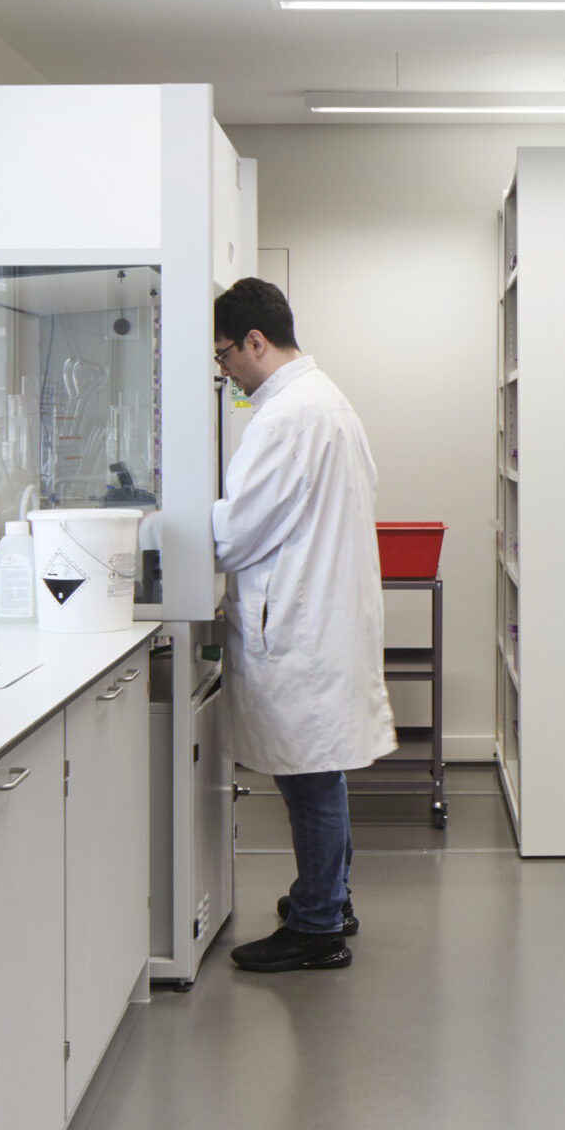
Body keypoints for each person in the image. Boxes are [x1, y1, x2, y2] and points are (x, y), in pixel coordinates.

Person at [211, 278, 394, 973]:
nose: (226, 369)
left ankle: (318, 924)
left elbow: (240, 531)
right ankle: (328, 895)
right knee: (319, 771)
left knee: (310, 777)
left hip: (303, 623)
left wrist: (180, 525)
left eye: (227, 354)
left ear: (257, 341)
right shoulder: (329, 402)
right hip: (323, 616)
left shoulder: (288, 416)